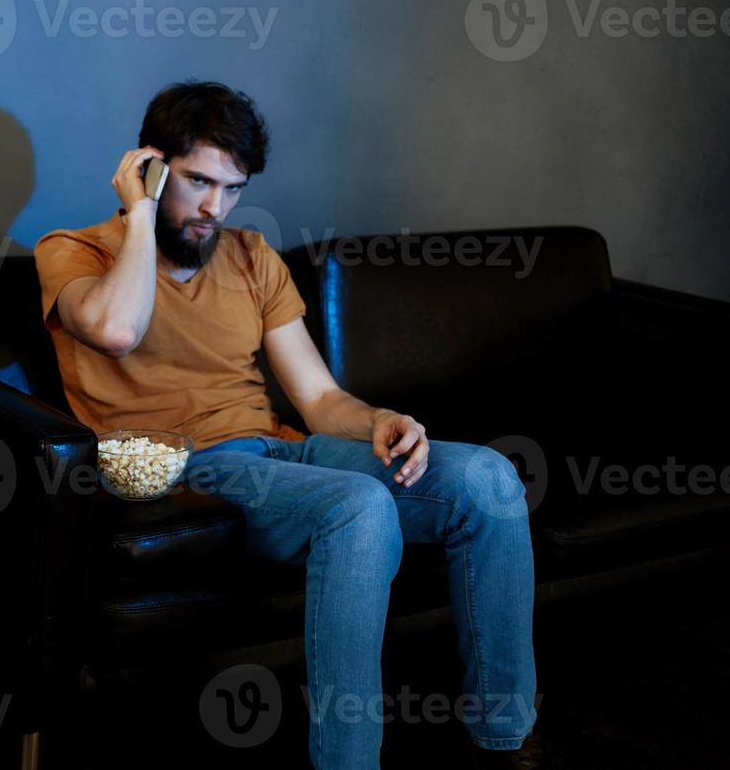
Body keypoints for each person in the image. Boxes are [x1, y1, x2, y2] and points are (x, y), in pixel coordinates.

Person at [33, 80, 539, 770]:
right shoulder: (73, 252)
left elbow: (318, 397)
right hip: (188, 465)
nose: (214, 207)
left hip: (284, 451)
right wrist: (142, 215)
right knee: (357, 507)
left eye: (232, 188)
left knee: (487, 477)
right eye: (196, 181)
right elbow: (116, 328)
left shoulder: (252, 257)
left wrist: (380, 419)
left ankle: (502, 736)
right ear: (148, 167)